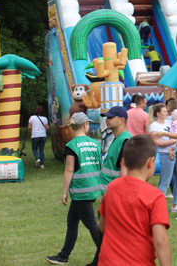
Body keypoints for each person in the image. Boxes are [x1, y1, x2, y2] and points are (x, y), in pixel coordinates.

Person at [98, 135, 171, 266]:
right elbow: (160, 241)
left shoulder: (112, 187)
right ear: (151, 162)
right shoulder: (155, 196)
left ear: (124, 162)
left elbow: (102, 227)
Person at [46, 113, 102, 266]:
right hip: (92, 188)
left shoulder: (71, 146)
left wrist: (64, 192)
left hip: (80, 191)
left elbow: (69, 170)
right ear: (85, 125)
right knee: (72, 222)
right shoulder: (95, 144)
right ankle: (63, 256)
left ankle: (106, 253)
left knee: (91, 225)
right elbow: (99, 166)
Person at [99, 106, 132, 196]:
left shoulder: (125, 140)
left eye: (110, 117)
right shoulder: (118, 138)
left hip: (115, 195)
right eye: (106, 117)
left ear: (121, 120)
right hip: (110, 194)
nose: (106, 120)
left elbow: (125, 170)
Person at [149, 104, 177, 195]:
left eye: (167, 111)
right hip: (165, 154)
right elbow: (157, 143)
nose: (167, 113)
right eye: (164, 111)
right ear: (158, 114)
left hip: (176, 152)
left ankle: (176, 205)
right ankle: (158, 204)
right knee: (165, 181)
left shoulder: (170, 122)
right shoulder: (154, 126)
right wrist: (173, 140)